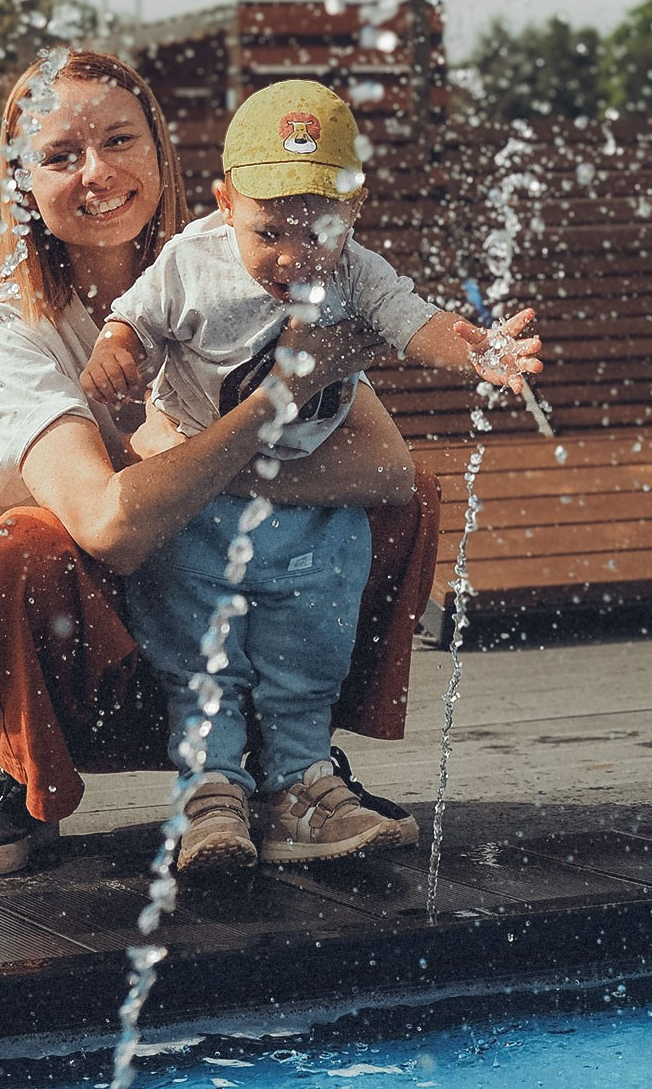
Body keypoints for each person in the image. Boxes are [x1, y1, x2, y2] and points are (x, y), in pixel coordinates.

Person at [0, 49, 443, 880]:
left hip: (237, 579)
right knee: (21, 547)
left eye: (119, 142)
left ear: (160, 153)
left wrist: (177, 460)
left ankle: (293, 767)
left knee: (403, 497)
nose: (97, 173)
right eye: (61, 156)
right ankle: (27, 776)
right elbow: (111, 528)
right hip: (107, 621)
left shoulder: (245, 253)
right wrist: (272, 404)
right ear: (22, 181)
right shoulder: (6, 319)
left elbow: (386, 469)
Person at [79, 79, 543, 876]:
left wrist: (474, 351)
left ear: (353, 212)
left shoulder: (359, 272)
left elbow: (417, 323)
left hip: (313, 508)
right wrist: (115, 349)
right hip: (196, 503)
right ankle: (212, 792)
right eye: (269, 231)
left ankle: (301, 785)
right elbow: (133, 320)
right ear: (226, 203)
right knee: (201, 656)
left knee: (308, 654)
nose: (294, 256)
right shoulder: (189, 261)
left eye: (318, 230)